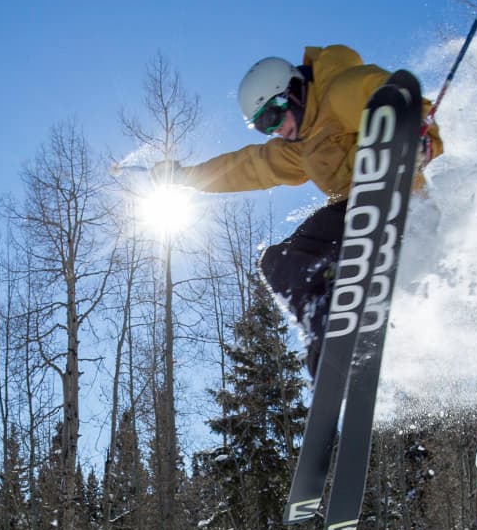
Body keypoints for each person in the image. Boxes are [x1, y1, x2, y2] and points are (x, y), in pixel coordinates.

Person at [150, 45, 441, 376]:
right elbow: (248, 166)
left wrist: (421, 139)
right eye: (261, 127)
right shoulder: (300, 147)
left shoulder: (339, 90)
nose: (273, 131)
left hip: (401, 204)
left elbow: (393, 97)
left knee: (303, 251)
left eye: (272, 119)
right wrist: (186, 176)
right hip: (357, 221)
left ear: (292, 93)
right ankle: (328, 333)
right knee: (278, 263)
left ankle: (335, 312)